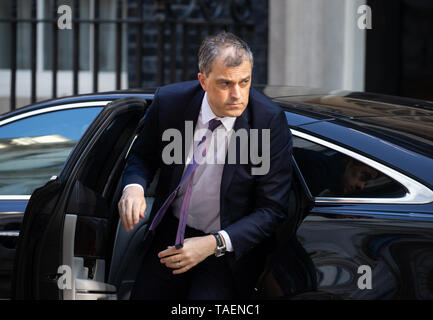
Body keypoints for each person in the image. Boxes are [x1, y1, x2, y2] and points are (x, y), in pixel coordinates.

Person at [117, 31, 293, 300]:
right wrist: (133, 188)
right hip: (171, 232)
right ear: (203, 80)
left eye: (244, 82)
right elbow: (143, 156)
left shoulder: (267, 122)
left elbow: (271, 209)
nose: (237, 94)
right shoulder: (170, 103)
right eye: (225, 84)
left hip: (226, 246)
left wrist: (213, 244)